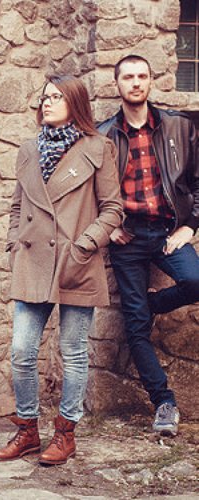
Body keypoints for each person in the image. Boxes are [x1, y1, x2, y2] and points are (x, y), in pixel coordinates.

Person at [0, 75, 123, 465]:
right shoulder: (29, 149)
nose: (46, 103)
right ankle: (28, 430)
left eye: (55, 97)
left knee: (73, 351)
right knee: (21, 350)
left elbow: (113, 209)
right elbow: (18, 206)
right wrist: (14, 242)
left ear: (75, 104)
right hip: (33, 261)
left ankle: (65, 434)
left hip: (75, 262)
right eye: (44, 97)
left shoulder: (98, 148)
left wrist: (85, 244)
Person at [98, 55, 199, 437]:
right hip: (128, 238)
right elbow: (87, 191)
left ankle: (151, 305)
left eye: (142, 76)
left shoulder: (179, 126)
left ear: (151, 81)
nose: (136, 82)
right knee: (136, 328)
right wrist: (108, 228)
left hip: (168, 232)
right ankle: (164, 403)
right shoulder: (104, 135)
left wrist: (189, 226)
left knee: (195, 281)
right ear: (118, 84)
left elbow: (197, 183)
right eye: (128, 77)